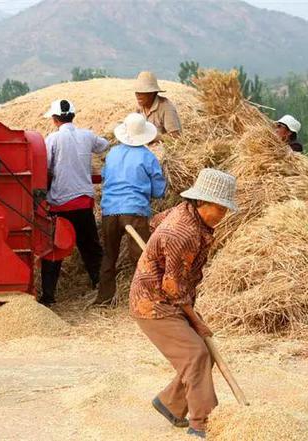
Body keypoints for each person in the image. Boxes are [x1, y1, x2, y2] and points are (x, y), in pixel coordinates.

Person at [129, 168, 238, 439]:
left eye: (225, 208)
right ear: (202, 202)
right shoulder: (183, 233)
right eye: (220, 208)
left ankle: (170, 403)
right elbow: (171, 286)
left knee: (201, 354)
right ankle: (203, 422)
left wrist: (157, 253)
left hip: (171, 298)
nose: (223, 215)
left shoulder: (185, 213)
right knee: (196, 355)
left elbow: (155, 222)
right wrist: (195, 319)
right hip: (154, 304)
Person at [40, 99, 109, 306]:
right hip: (83, 203)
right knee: (91, 247)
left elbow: (46, 167)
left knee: (54, 250)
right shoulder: (87, 136)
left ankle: (49, 297)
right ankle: (101, 287)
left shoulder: (52, 140)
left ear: (54, 119)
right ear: (73, 116)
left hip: (59, 205)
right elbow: (104, 145)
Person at [92, 113, 166, 306]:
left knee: (109, 255)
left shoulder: (113, 154)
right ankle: (143, 299)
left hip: (110, 211)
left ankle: (104, 298)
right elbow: (159, 191)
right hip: (135, 212)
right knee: (141, 257)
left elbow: (105, 178)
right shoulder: (147, 157)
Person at [135, 71, 182, 141]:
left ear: (152, 93)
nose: (138, 95)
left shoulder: (166, 107)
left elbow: (176, 136)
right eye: (137, 92)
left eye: (142, 92)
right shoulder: (140, 107)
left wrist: (153, 137)